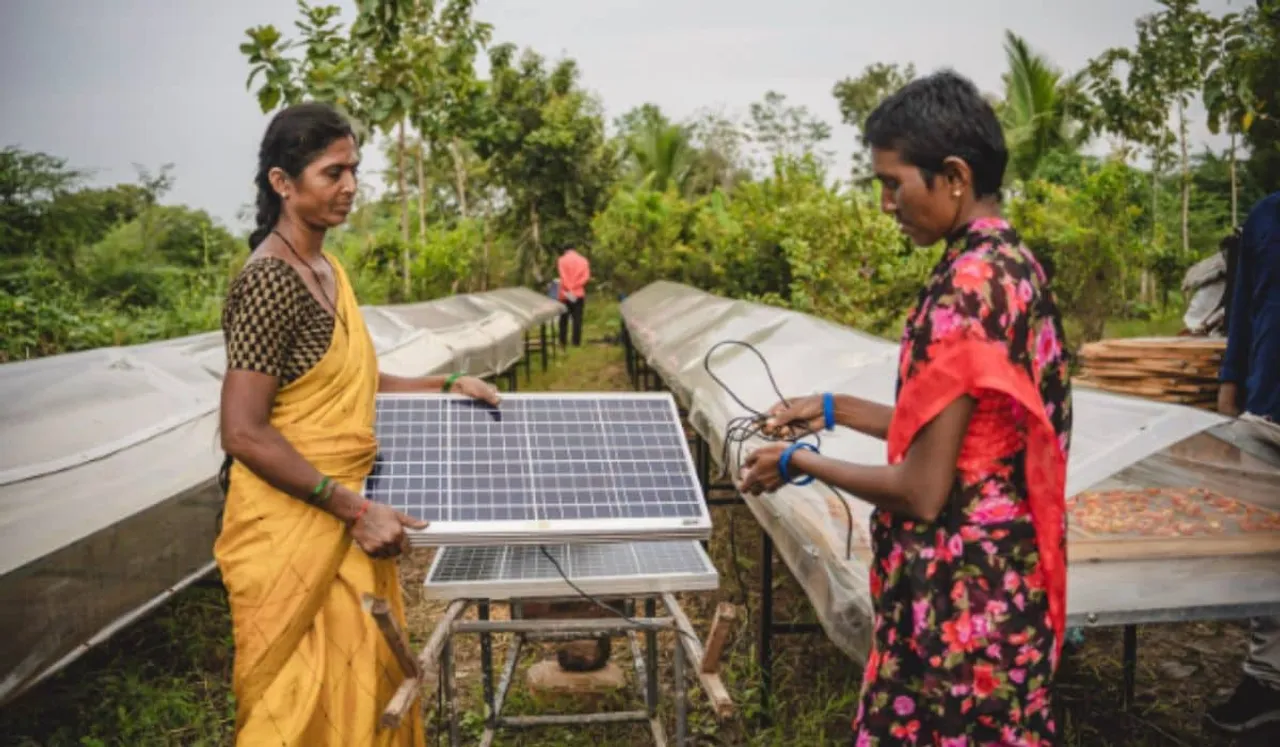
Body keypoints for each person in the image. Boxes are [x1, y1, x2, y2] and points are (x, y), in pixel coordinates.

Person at [739, 70, 1072, 745]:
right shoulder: (1012, 264)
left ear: (952, 175)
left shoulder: (963, 289)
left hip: (961, 606)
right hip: (1008, 584)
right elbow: (963, 436)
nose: (887, 203)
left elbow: (923, 489)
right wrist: (833, 407)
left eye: (894, 183)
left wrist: (796, 461)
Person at [215, 102, 500, 746]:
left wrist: (449, 385)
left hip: (345, 513)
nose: (348, 186)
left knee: (364, 684)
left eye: (353, 170)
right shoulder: (269, 281)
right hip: (296, 522)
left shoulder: (326, 270)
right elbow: (244, 431)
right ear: (282, 183)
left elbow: (354, 380)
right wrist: (353, 509)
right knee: (295, 704)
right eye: (330, 172)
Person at [1206, 188, 1280, 736]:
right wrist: (1229, 393)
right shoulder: (1266, 215)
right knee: (1266, 554)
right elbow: (1243, 314)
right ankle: (1267, 681)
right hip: (1268, 408)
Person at [556, 243, 590, 347]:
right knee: (577, 319)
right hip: (578, 293)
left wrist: (569, 288)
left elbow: (562, 275)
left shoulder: (561, 260)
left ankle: (563, 341)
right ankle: (576, 342)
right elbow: (586, 277)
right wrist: (575, 286)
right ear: (574, 249)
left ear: (565, 250)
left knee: (563, 319)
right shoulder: (583, 260)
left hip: (565, 293)